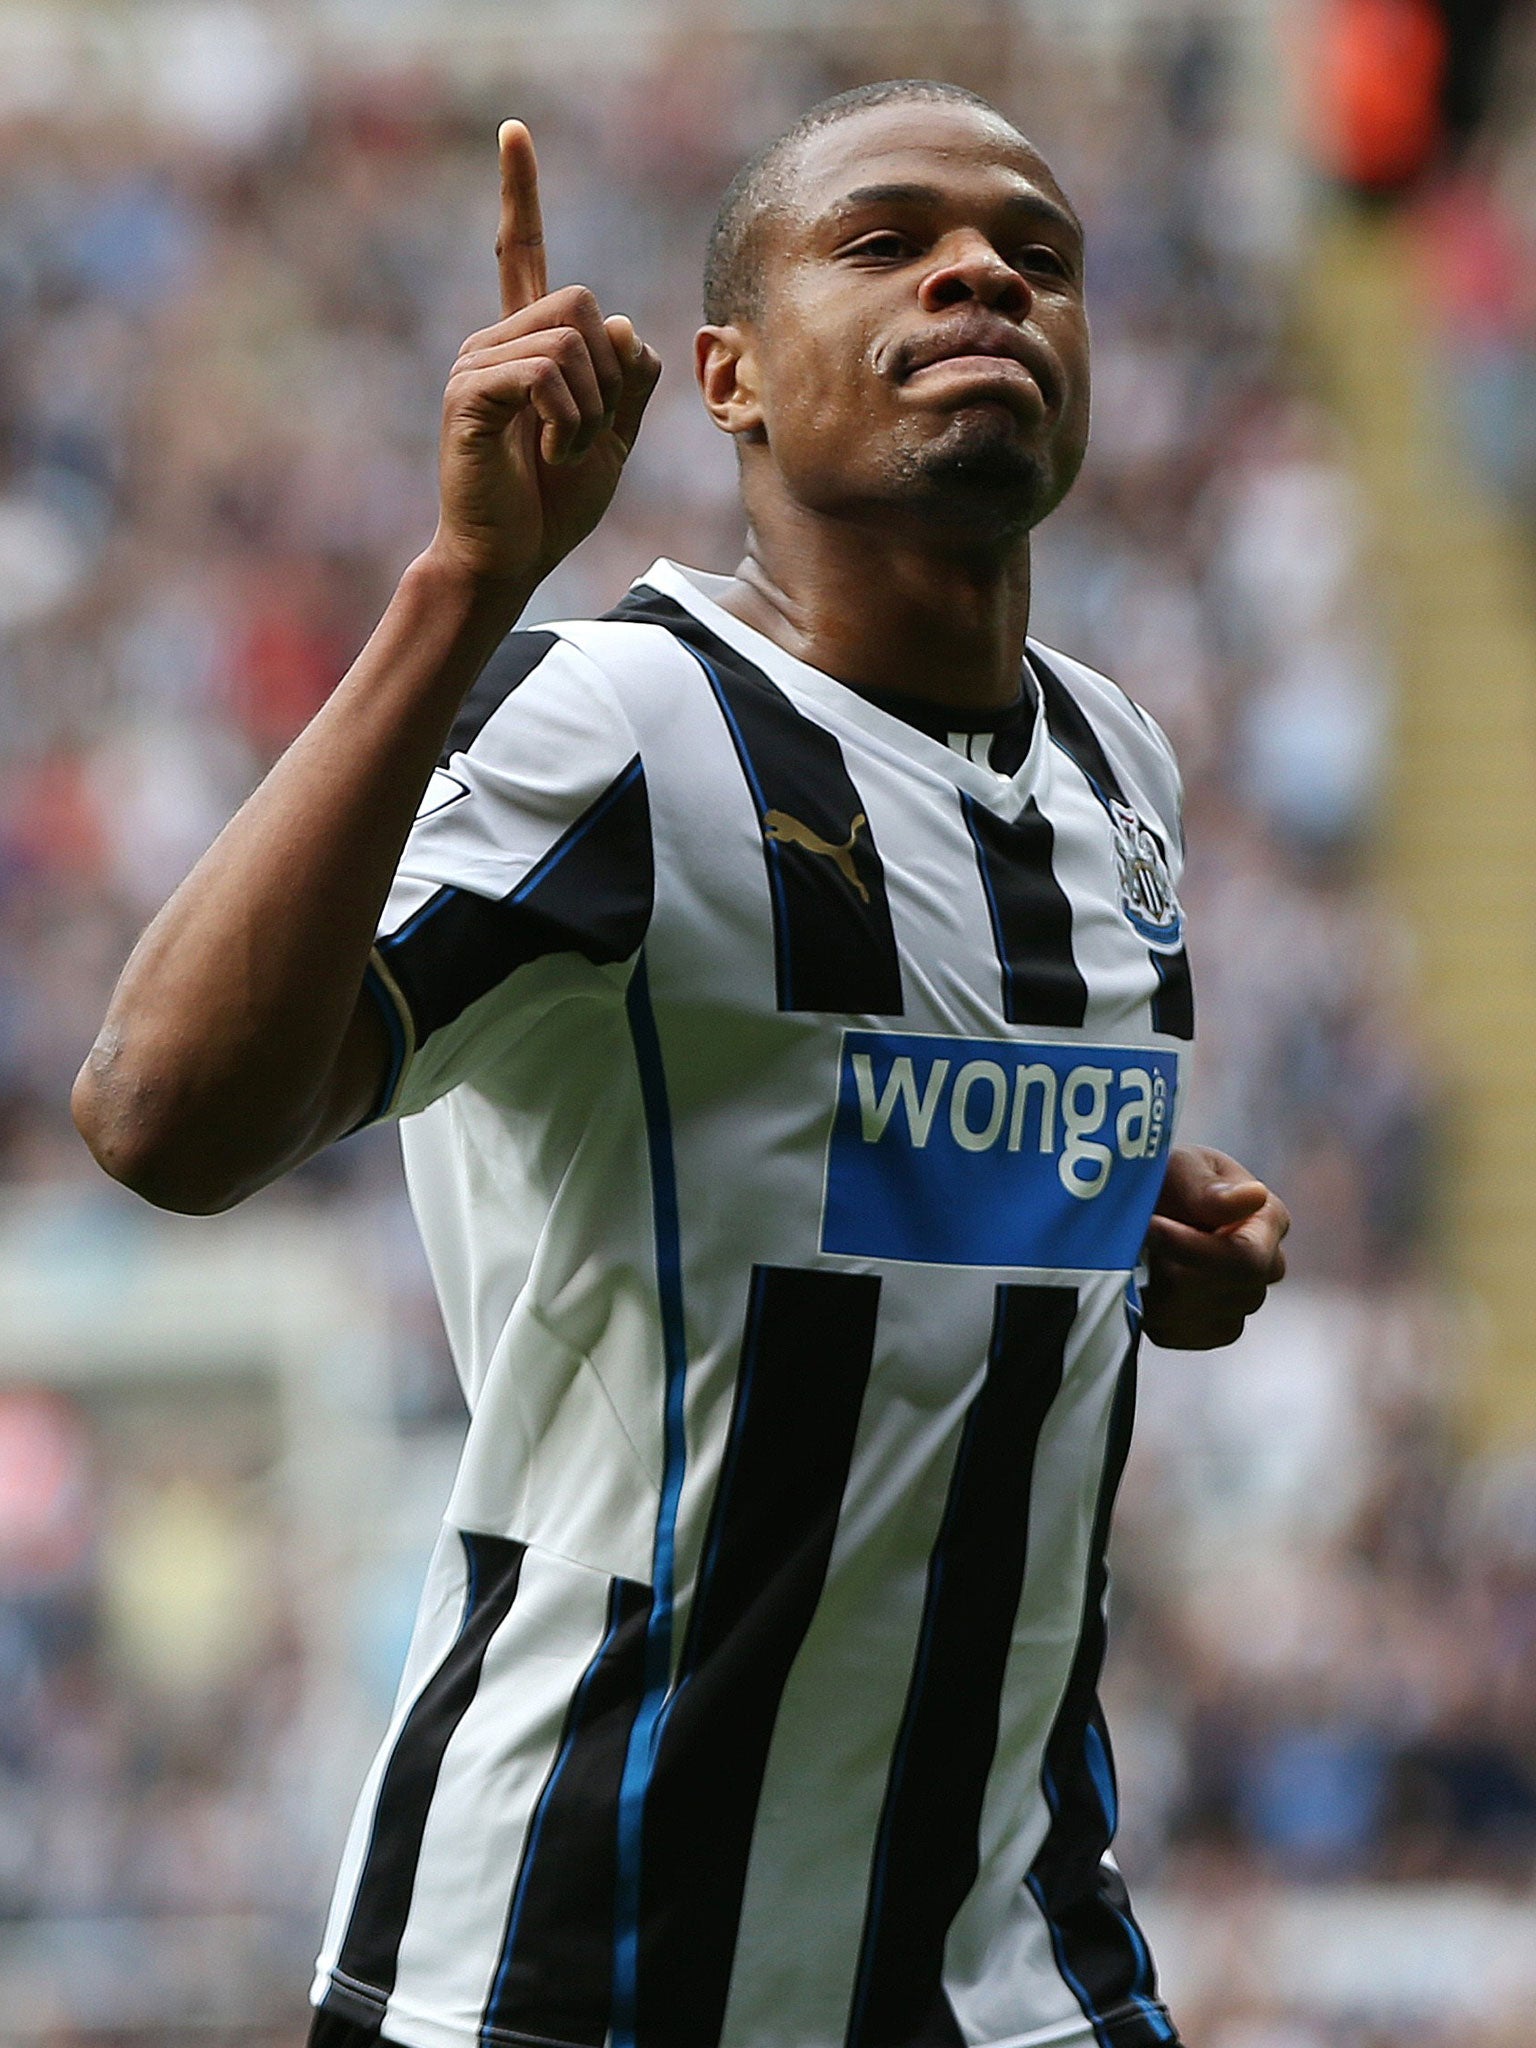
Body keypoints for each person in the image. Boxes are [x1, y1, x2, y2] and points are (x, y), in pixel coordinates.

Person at [74, 79, 1289, 2048]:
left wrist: (1135, 1205)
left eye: (1037, 257)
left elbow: (826, 1135)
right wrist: (464, 579)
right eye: (887, 241)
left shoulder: (1116, 768)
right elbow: (162, 1116)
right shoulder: (621, 725)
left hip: (1015, 1967)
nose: (983, 270)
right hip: (581, 1958)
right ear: (724, 376)